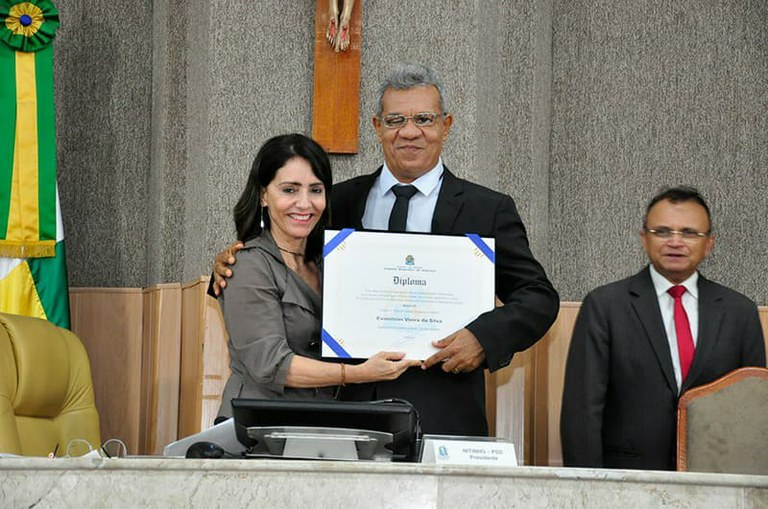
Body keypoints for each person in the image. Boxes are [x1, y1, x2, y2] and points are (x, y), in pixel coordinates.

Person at [213, 64, 560, 435]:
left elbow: (538, 297)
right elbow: (283, 261)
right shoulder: (337, 202)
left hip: (444, 412)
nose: (410, 132)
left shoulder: (487, 208)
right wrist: (227, 263)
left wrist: (483, 338)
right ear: (377, 127)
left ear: (447, 125)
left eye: (424, 119)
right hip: (344, 414)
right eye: (395, 120)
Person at [560, 186, 766, 470]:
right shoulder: (605, 306)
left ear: (709, 244)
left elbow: (754, 410)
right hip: (627, 484)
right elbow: (581, 412)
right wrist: (587, 489)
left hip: (716, 480)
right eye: (662, 231)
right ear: (644, 239)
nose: (675, 242)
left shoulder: (739, 312)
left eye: (689, 233)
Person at [216, 133, 419, 418]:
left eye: (315, 189)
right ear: (264, 195)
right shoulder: (247, 265)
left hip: (318, 422)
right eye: (289, 190)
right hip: (259, 426)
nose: (304, 203)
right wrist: (359, 373)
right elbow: (271, 364)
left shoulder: (331, 262)